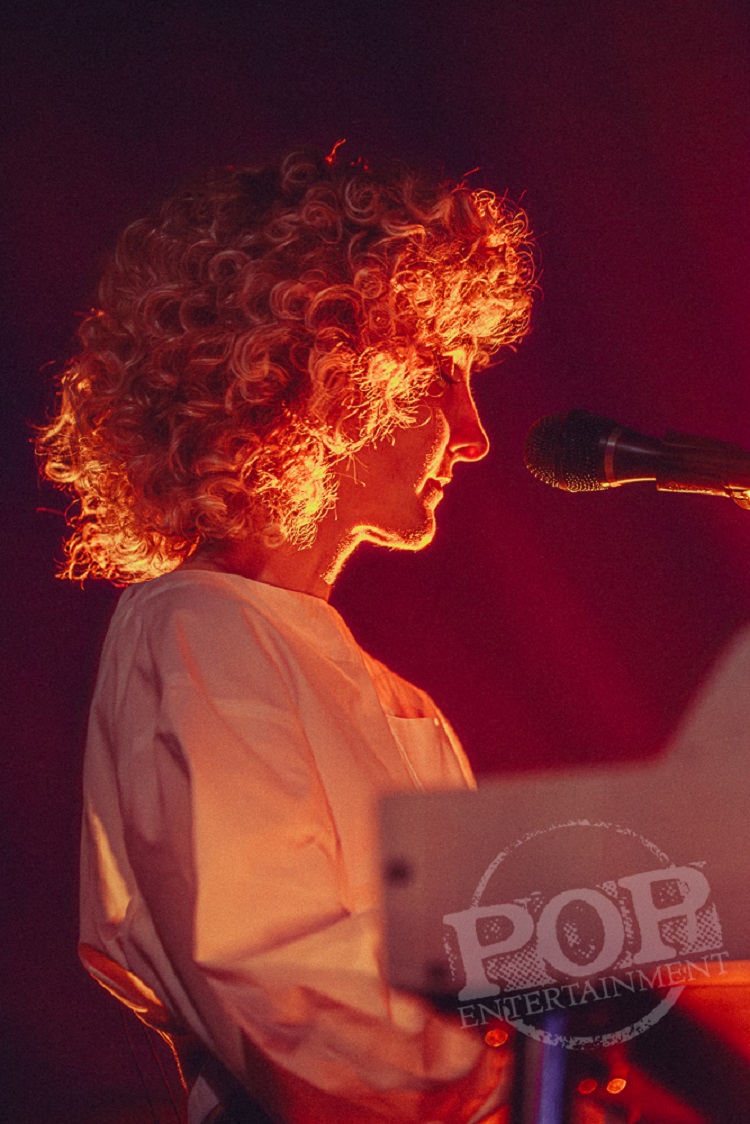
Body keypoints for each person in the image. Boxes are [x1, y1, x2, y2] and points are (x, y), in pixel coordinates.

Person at [38, 147, 535, 1123]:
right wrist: (560, 1046)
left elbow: (474, 982)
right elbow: (290, 997)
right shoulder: (196, 627)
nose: (473, 432)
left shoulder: (396, 700)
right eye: (441, 378)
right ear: (323, 374)